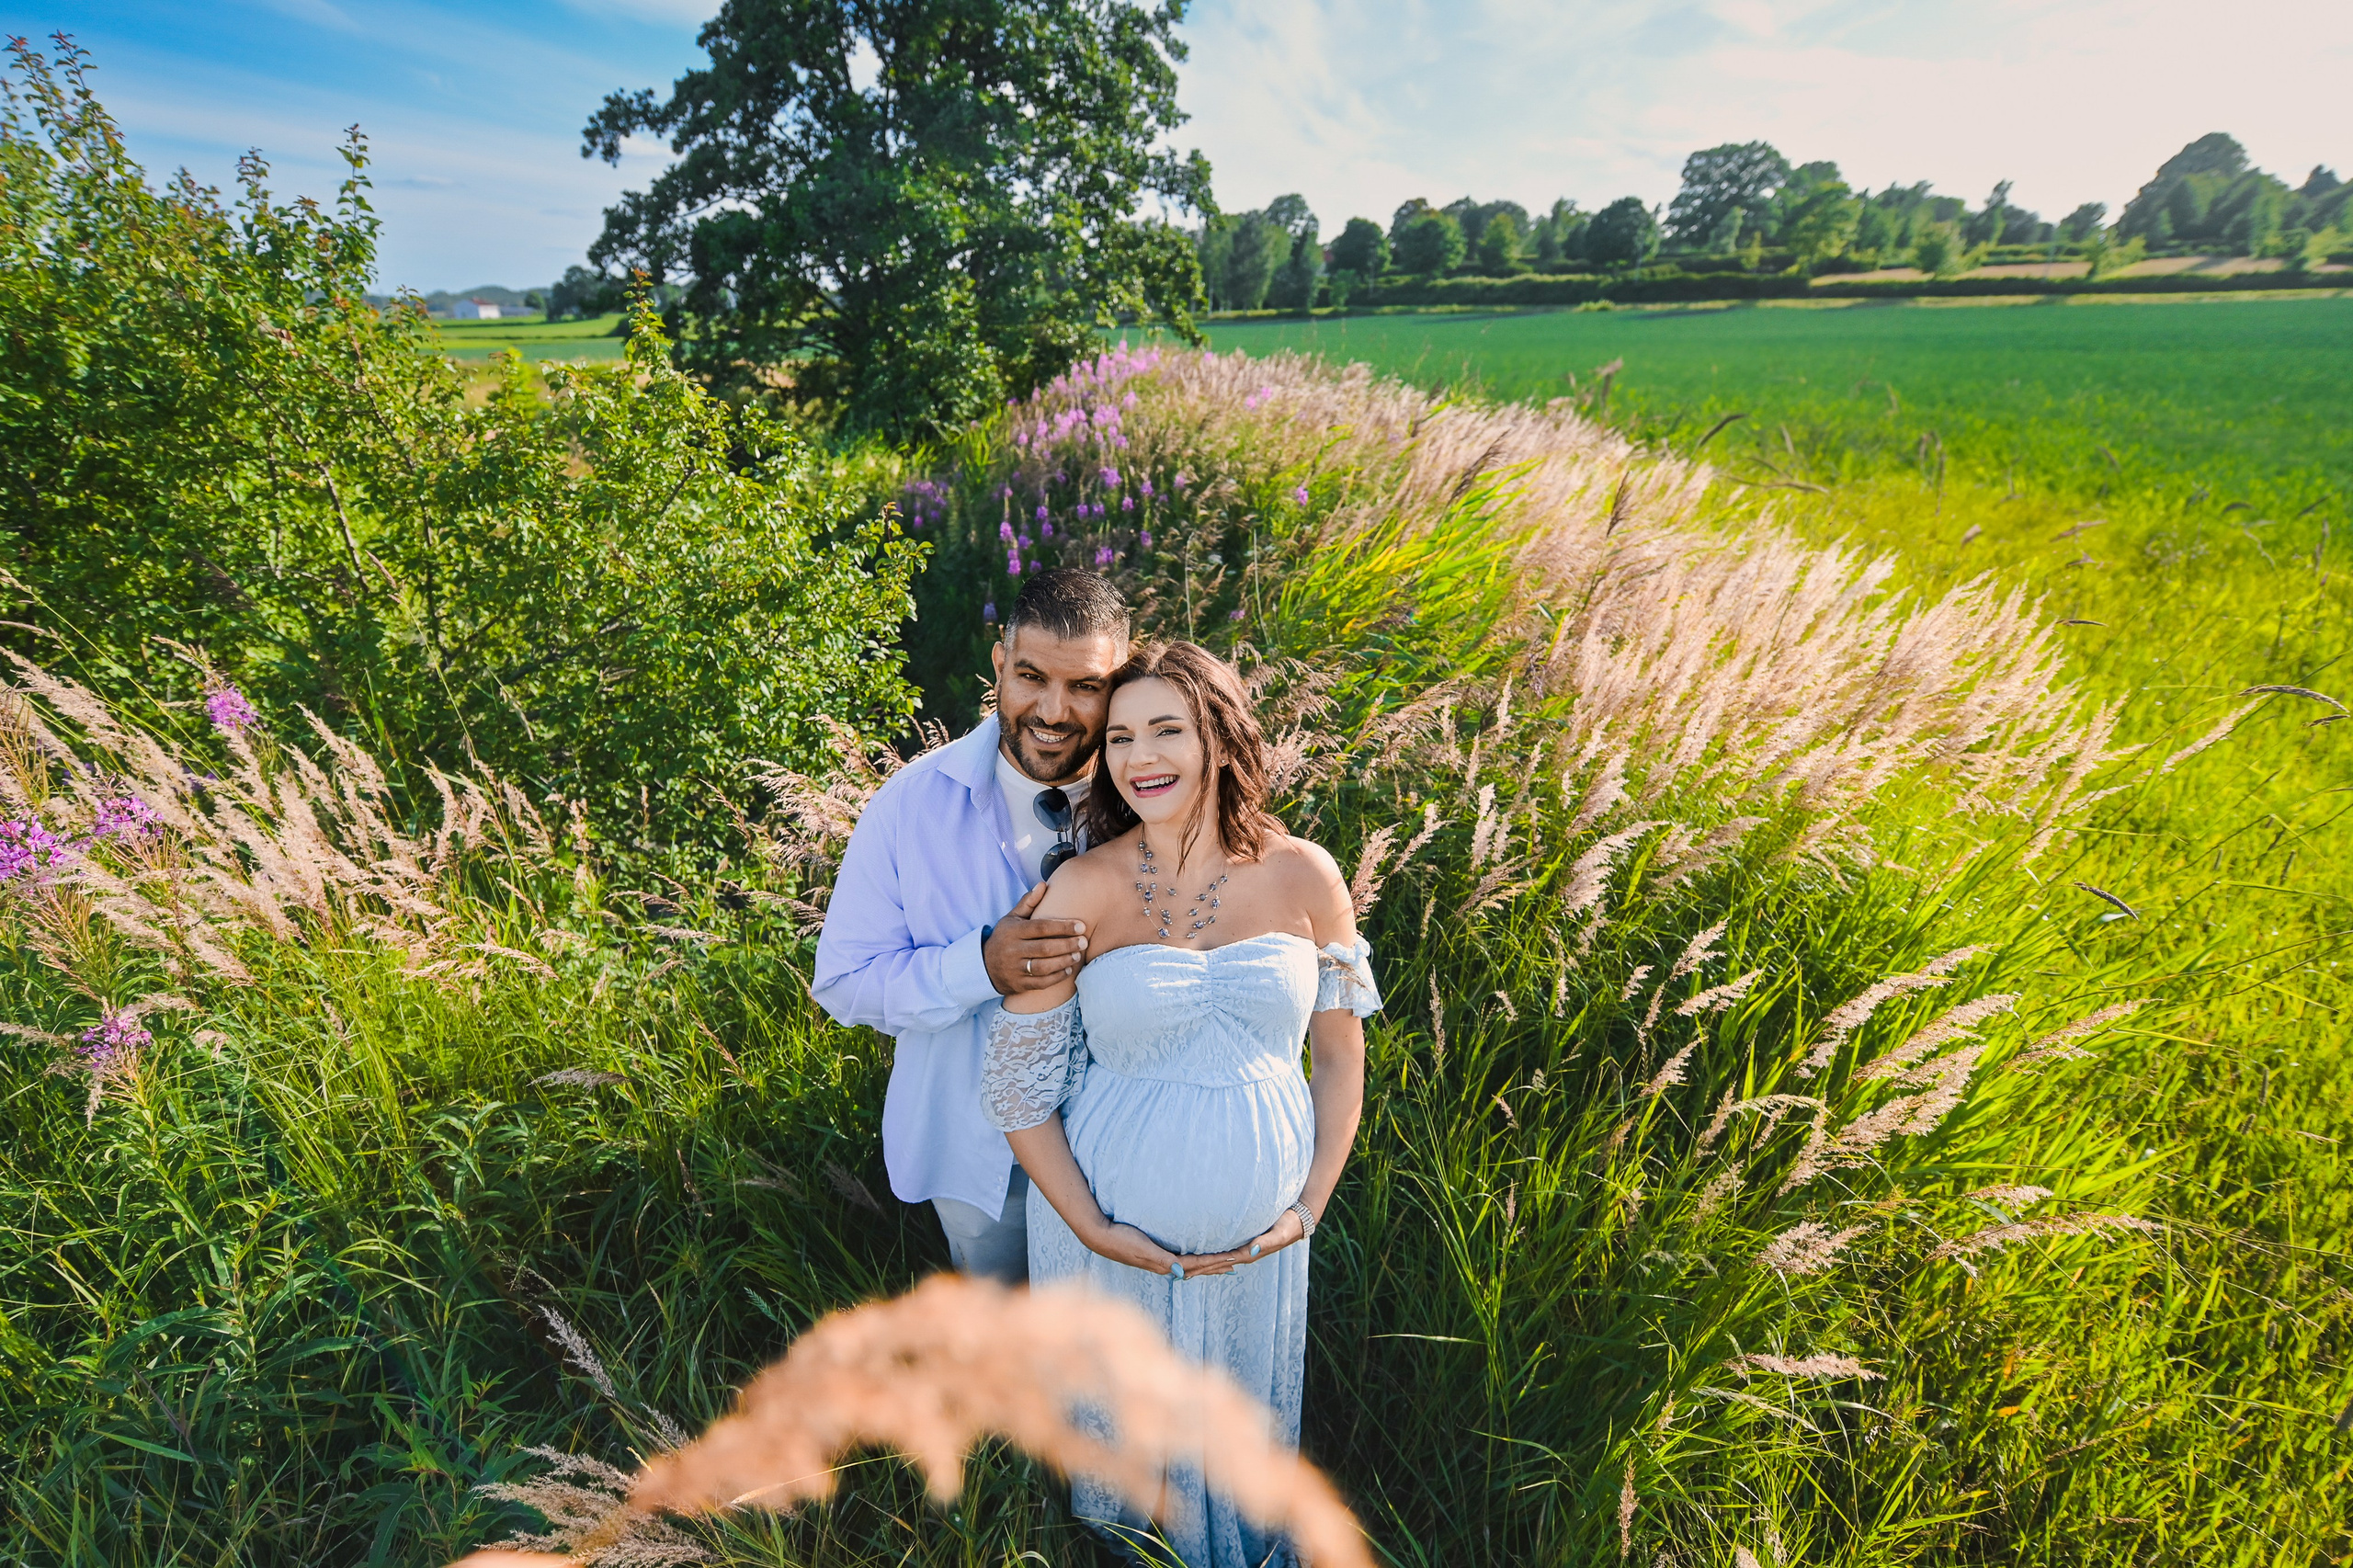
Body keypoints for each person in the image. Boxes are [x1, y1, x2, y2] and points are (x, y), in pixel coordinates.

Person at [978, 641, 1381, 1568]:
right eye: (1119, 736)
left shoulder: (1305, 876)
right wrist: (1090, 1226)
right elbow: (1017, 1091)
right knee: (1125, 1469)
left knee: (1238, 1443)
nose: (1139, 755)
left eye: (1167, 728)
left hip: (1261, 1245)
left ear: (1221, 737)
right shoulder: (1081, 887)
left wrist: (1306, 1209)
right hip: (1108, 1233)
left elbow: (1338, 1058)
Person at [813, 570, 1131, 1283]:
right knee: (1008, 1364)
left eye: (1085, 686)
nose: (1053, 710)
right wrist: (977, 968)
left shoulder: (1158, 803)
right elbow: (843, 982)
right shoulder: (909, 807)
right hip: (983, 1166)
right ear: (998, 664)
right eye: (1030, 676)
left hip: (1132, 1150)